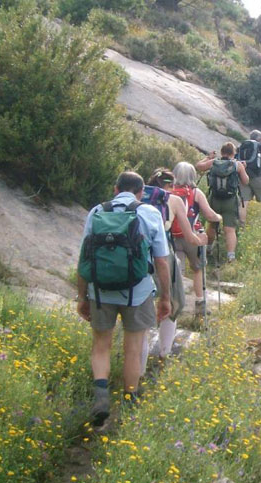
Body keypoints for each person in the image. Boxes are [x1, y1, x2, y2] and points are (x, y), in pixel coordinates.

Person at [76, 171, 171, 426]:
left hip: (100, 291)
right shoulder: (150, 213)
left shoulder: (97, 211)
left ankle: (101, 397)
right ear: (141, 192)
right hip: (137, 292)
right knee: (133, 348)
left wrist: (81, 296)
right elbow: (161, 260)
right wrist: (165, 298)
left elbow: (84, 258)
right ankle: (130, 399)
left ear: (116, 189)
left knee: (100, 345)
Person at [141, 168, 208, 369]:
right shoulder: (175, 200)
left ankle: (140, 368)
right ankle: (164, 353)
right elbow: (189, 236)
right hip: (164, 256)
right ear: (171, 185)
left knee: (141, 311)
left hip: (137, 257)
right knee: (173, 302)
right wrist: (202, 239)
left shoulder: (139, 199)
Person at [171, 161, 220, 311]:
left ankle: (175, 304)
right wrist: (218, 218)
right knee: (198, 269)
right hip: (193, 236)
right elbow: (209, 214)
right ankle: (199, 303)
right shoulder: (196, 192)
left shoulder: (169, 192)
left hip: (172, 237)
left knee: (177, 271)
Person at [198, 142, 249, 262]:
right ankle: (231, 256)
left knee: (211, 225)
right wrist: (243, 168)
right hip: (230, 200)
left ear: (222, 152)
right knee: (230, 229)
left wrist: (208, 157)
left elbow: (199, 166)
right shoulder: (237, 165)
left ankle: (208, 249)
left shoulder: (214, 162)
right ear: (234, 153)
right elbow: (246, 181)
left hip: (214, 198)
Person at [236, 130, 261, 224]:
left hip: (243, 176)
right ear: (260, 138)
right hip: (257, 177)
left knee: (244, 202)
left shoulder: (241, 147)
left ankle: (241, 226)